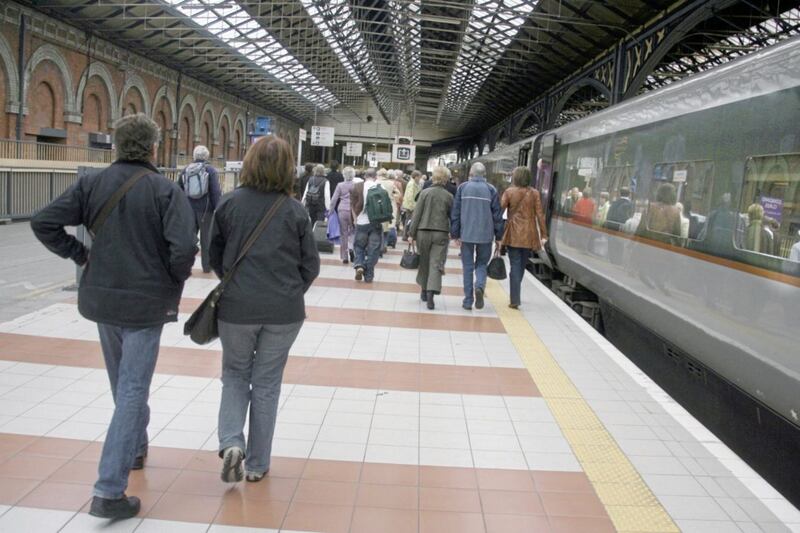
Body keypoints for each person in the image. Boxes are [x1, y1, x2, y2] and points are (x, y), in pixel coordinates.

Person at [31, 113, 197, 519]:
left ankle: (134, 449)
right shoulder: (164, 191)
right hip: (145, 306)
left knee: (123, 386)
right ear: (154, 147)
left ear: (117, 146)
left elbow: (43, 221)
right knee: (132, 390)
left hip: (103, 302)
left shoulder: (92, 183)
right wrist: (167, 280)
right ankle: (108, 490)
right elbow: (183, 250)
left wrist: (82, 255)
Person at [209, 135, 320, 483]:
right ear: (289, 169)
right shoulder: (294, 211)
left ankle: (231, 444)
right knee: (267, 383)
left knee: (235, 374)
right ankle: (257, 464)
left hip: (237, 309)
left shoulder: (228, 205)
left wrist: (236, 284)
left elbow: (213, 255)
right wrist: (288, 292)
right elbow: (310, 265)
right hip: (283, 312)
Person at [451, 162, 504, 310]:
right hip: (486, 236)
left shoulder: (462, 188)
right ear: (484, 175)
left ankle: (468, 301)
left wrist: (455, 234)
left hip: (466, 234)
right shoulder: (491, 190)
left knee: (467, 267)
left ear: (471, 174)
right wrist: (499, 237)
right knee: (481, 264)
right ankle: (479, 286)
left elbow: (455, 212)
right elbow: (497, 216)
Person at [500, 167, 548, 309]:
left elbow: (500, 209)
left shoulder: (509, 192)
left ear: (515, 177)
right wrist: (544, 234)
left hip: (513, 233)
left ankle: (515, 298)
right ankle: (516, 291)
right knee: (521, 265)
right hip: (529, 234)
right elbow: (540, 215)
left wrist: (497, 230)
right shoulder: (534, 193)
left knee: (515, 264)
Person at [409, 166, 454, 310]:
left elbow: (416, 215)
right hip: (440, 233)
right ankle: (430, 295)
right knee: (436, 264)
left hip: (423, 232)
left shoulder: (424, 193)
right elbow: (452, 217)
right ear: (446, 179)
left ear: (433, 177)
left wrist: (411, 233)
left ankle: (423, 289)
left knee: (424, 261)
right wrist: (454, 232)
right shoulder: (449, 196)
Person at [177, 145, 221, 273]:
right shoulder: (210, 170)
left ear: (194, 156)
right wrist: (218, 208)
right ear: (206, 156)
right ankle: (207, 266)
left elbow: (178, 189)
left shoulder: (186, 169)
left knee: (189, 238)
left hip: (189, 209)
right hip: (206, 210)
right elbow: (215, 191)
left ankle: (185, 265)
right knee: (206, 240)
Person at [350, 168, 385, 282]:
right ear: (375, 177)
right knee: (374, 249)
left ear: (365, 176)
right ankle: (369, 275)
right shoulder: (380, 187)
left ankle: (359, 265)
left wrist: (355, 219)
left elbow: (353, 205)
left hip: (361, 222)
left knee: (359, 246)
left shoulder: (358, 186)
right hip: (376, 223)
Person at [329, 166, 357, 263]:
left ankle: (345, 257)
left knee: (343, 233)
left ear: (344, 175)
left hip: (342, 210)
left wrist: (331, 211)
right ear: (353, 175)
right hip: (353, 211)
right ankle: (352, 248)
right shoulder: (356, 185)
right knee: (353, 232)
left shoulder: (340, 185)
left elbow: (334, 199)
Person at [377, 169, 401, 250]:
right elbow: (398, 193)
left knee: (379, 225)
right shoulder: (391, 183)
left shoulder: (376, 182)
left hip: (379, 205)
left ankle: (380, 244)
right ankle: (385, 244)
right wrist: (392, 197)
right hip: (390, 205)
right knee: (388, 225)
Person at [402, 170, 423, 240]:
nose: (420, 179)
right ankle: (407, 235)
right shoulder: (412, 184)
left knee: (408, 220)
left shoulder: (413, 183)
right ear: (416, 177)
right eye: (419, 177)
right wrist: (413, 206)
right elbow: (410, 196)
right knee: (410, 220)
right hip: (411, 206)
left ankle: (406, 235)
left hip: (410, 205)